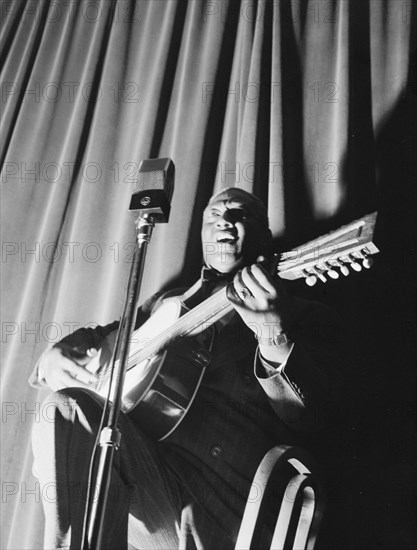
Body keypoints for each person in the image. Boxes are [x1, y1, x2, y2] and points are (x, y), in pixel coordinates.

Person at [30, 187, 342, 550]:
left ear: (265, 236)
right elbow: (105, 338)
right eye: (214, 215)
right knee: (62, 408)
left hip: (226, 509)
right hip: (149, 492)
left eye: (241, 214)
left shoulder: (304, 315)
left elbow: (315, 420)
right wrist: (57, 353)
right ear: (202, 233)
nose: (225, 221)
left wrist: (273, 335)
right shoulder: (167, 302)